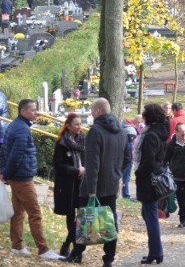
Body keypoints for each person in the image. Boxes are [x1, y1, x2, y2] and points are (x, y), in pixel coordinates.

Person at [67, 98, 130, 266]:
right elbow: (127, 158)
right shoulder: (122, 131)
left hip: (92, 185)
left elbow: (92, 163)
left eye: (92, 111)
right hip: (111, 184)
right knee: (110, 221)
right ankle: (108, 258)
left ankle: (76, 252)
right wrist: (116, 174)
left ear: (98, 112)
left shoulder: (96, 131)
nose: (90, 114)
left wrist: (91, 190)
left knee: (84, 219)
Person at [0, 99, 63, 260]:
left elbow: (3, 150)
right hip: (22, 177)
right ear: (23, 111)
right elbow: (16, 155)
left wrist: (5, 172)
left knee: (18, 211)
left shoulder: (15, 125)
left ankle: (17, 244)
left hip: (16, 176)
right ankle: (43, 249)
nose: (36, 113)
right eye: (33, 110)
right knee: (34, 212)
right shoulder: (21, 129)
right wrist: (6, 173)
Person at [135, 104, 168, 265]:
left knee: (151, 217)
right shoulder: (160, 133)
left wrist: (138, 173)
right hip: (154, 177)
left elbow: (148, 160)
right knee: (148, 214)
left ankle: (156, 252)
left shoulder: (150, 136)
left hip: (148, 180)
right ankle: (154, 251)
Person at [52, 113, 86, 260]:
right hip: (68, 185)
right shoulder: (62, 143)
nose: (79, 127)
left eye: (80, 124)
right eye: (76, 124)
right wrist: (76, 171)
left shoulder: (84, 140)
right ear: (69, 125)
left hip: (83, 184)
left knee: (81, 216)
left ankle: (69, 246)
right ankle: (75, 250)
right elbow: (58, 165)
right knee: (70, 215)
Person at [121, 119, 138, 199]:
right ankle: (126, 194)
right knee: (126, 177)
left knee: (125, 177)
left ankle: (125, 193)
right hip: (128, 159)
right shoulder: (130, 133)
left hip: (125, 158)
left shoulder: (122, 131)